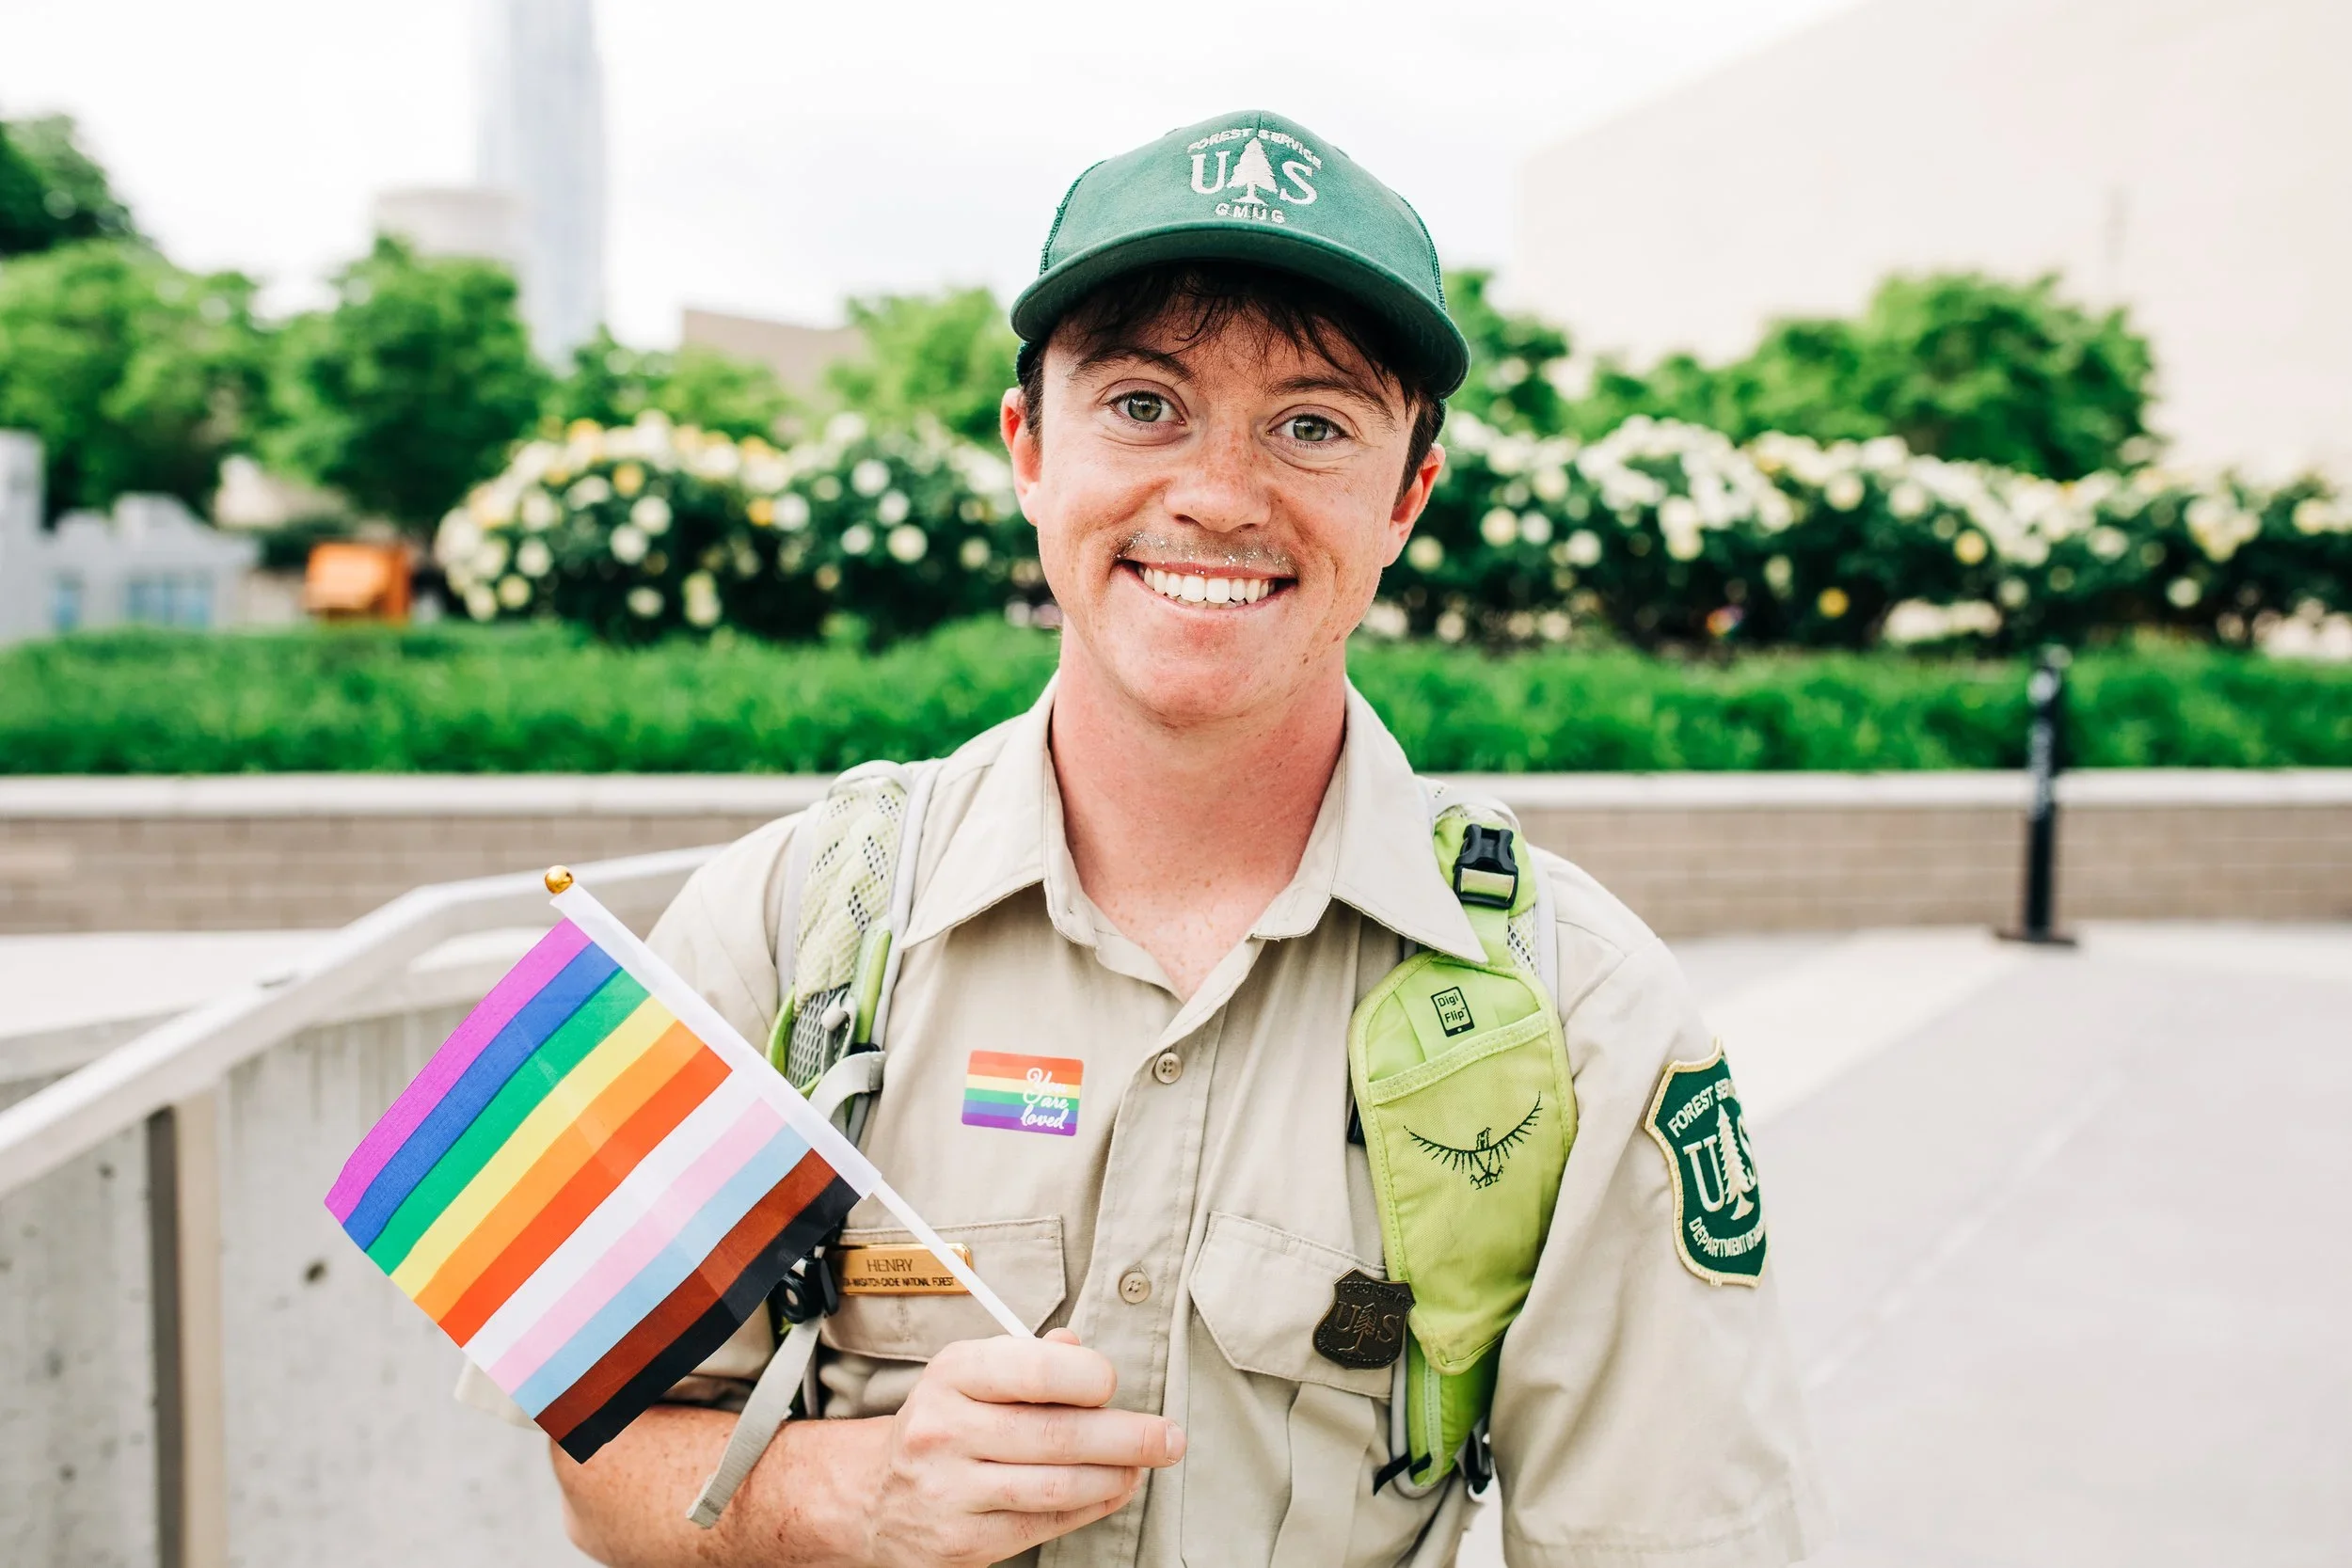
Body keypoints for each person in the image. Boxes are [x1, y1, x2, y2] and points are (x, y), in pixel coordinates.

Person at [521, 109, 1825, 1568]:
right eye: (1145, 403)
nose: (1215, 494)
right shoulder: (772, 918)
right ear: (1028, 444)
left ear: (1409, 497)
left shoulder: (1584, 1007)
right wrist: (858, 1495)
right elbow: (592, 1460)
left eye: (1313, 424)